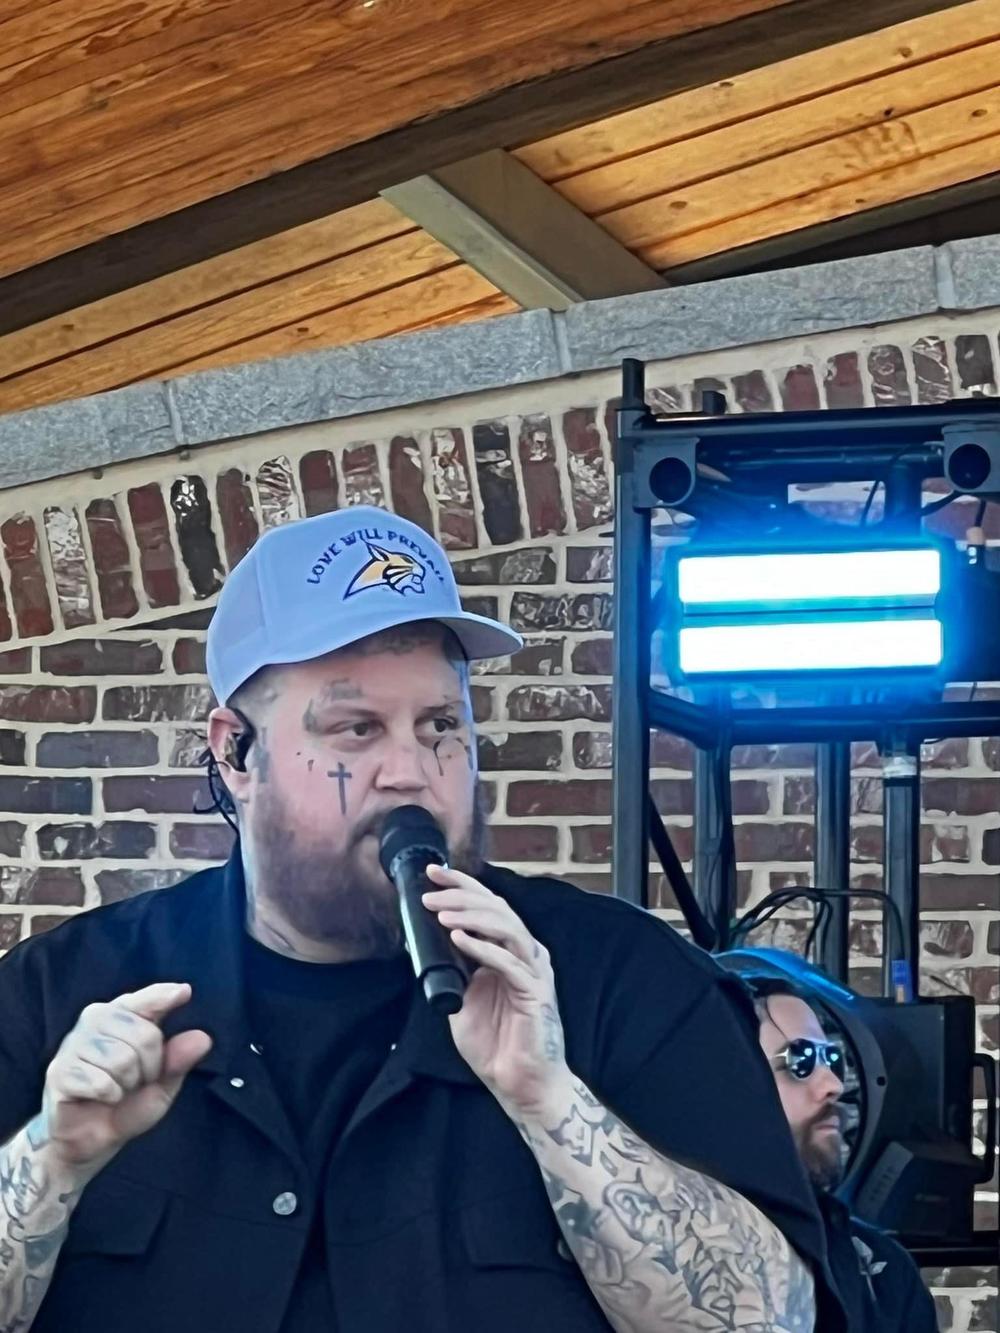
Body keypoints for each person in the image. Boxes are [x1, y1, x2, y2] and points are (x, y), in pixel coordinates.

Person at [0, 504, 846, 1333]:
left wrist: (553, 1103)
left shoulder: (616, 974)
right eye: (355, 729)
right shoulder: (64, 992)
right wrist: (52, 1159)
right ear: (235, 752)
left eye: (441, 725)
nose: (410, 771)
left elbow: (769, 1316)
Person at [731, 968, 938, 1332]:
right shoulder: (646, 1249)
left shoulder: (882, 1272)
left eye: (832, 1060)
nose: (834, 1085)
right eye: (801, 1060)